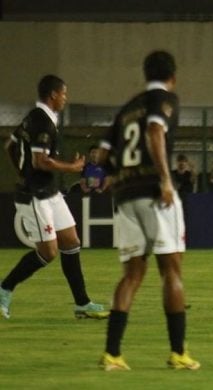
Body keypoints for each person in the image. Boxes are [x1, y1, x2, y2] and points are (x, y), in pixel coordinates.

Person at [97, 51, 200, 371]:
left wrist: (117, 174)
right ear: (173, 75)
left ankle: (112, 354)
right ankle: (178, 353)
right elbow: (155, 132)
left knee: (131, 275)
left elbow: (101, 155)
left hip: (125, 195)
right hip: (155, 193)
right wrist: (166, 180)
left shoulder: (127, 108)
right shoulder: (164, 99)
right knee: (171, 271)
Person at [0, 75, 109, 320]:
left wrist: (21, 170)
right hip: (35, 196)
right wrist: (72, 168)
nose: (65, 99)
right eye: (64, 94)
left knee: (71, 242)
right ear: (53, 95)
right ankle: (4, 288)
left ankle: (82, 304)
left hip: (50, 192)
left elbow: (10, 145)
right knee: (48, 252)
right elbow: (41, 161)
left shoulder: (34, 117)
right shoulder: (42, 122)